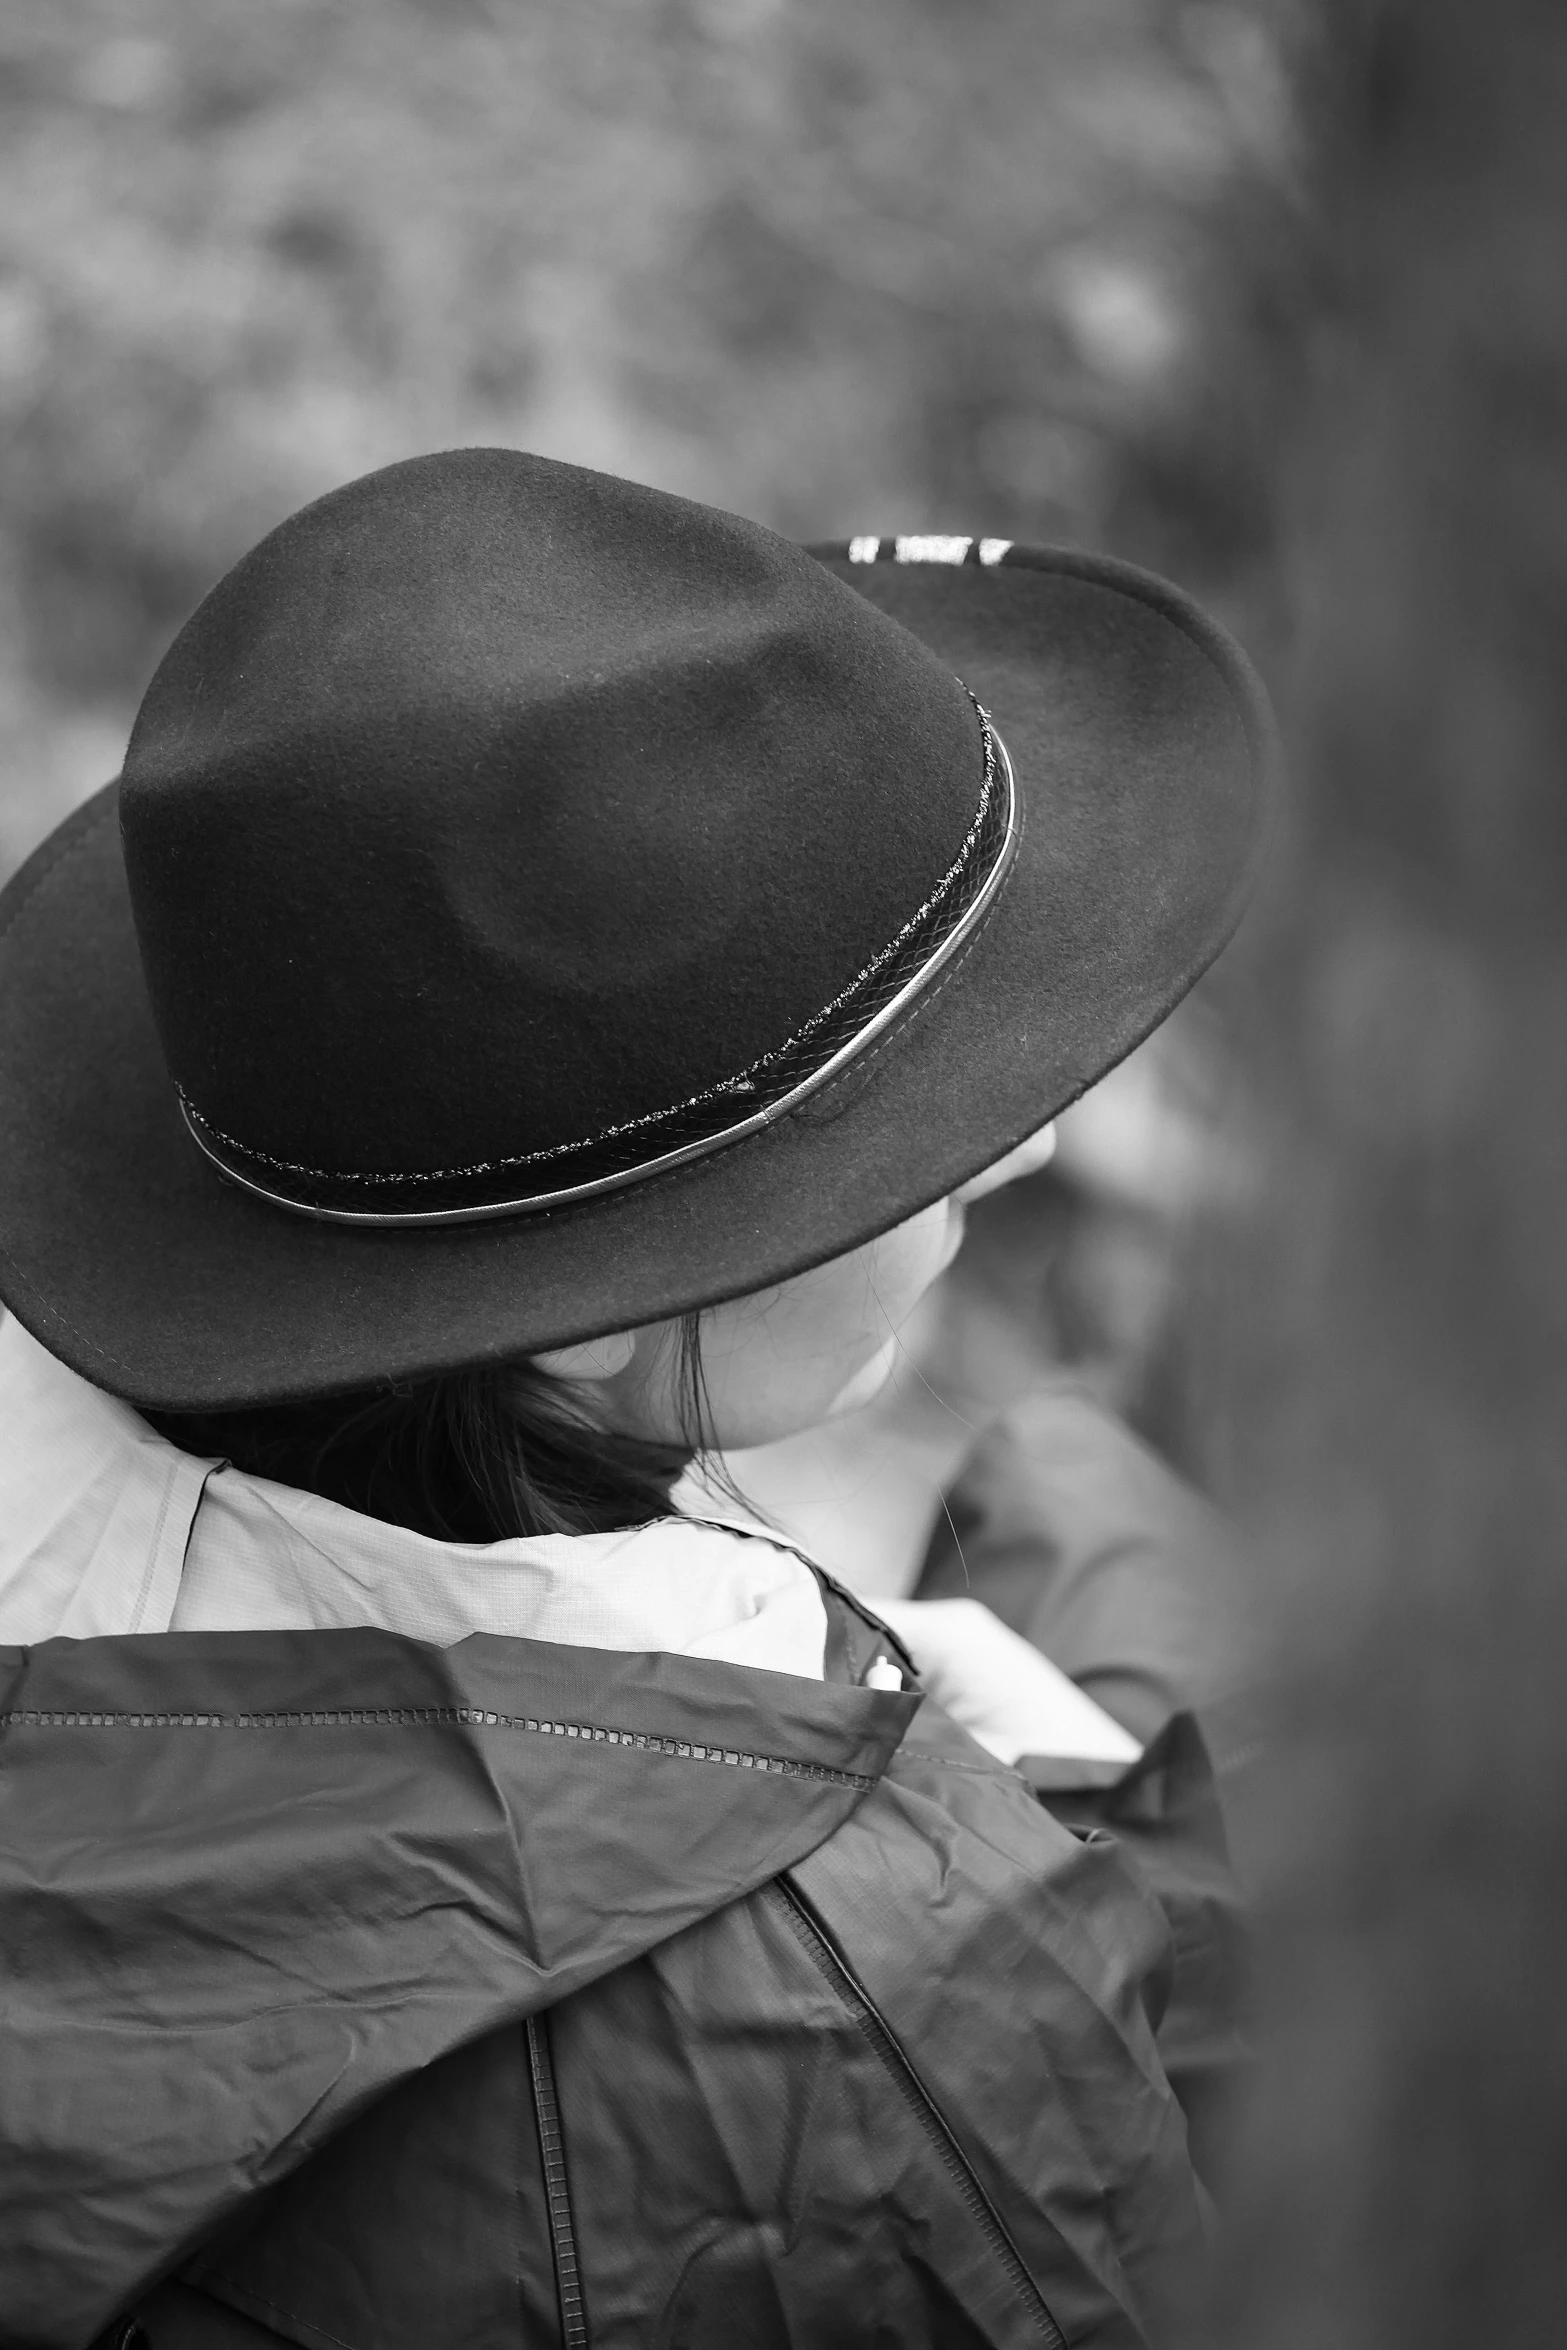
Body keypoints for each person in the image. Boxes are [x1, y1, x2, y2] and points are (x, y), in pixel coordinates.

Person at [0, 449, 1272, 2350]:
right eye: (918, 1135)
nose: (1033, 1149)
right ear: (583, 1329)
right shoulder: (894, 2024)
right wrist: (973, 1868)